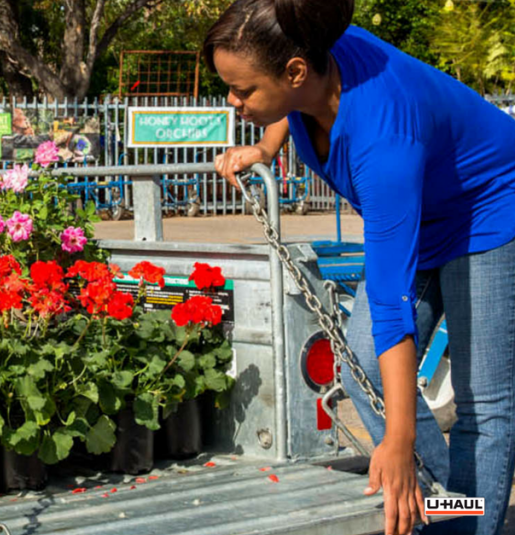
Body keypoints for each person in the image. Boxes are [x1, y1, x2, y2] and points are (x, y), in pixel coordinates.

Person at [204, 1, 515, 534]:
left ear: (295, 72)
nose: (233, 101)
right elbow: (284, 105)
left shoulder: (383, 142)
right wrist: (264, 146)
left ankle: (463, 527)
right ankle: (446, 505)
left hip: (487, 205)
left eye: (244, 90)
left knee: (482, 402)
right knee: (360, 365)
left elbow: (394, 306)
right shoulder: (312, 50)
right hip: (419, 197)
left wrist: (399, 440)